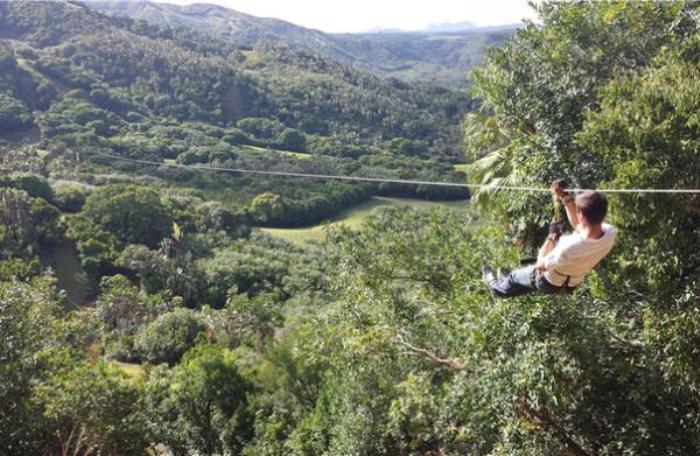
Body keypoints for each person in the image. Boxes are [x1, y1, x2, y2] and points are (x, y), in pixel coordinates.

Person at [483, 180, 617, 298]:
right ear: (603, 213)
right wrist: (565, 198)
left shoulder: (569, 245)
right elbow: (579, 225)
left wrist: (551, 237)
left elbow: (540, 266)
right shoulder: (610, 233)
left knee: (514, 278)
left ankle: (495, 287)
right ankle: (509, 283)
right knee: (522, 282)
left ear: (581, 215)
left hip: (548, 281)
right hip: (572, 284)